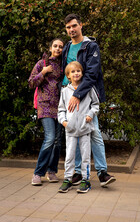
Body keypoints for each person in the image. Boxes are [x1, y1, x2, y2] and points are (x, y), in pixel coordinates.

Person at [62, 14, 116, 187]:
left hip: (86, 95)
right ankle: (78, 172)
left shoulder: (90, 46)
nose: (72, 29)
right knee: (75, 135)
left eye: (74, 26)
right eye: (68, 27)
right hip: (70, 95)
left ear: (81, 25)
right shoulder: (67, 47)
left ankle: (102, 172)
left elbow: (92, 73)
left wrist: (79, 95)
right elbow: (65, 72)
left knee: (94, 133)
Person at [58, 61, 99, 193]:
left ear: (82, 73)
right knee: (69, 156)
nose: (76, 73)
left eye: (78, 71)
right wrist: (64, 122)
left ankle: (85, 180)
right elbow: (61, 110)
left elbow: (95, 105)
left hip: (85, 129)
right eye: (73, 72)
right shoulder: (65, 91)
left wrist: (90, 114)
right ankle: (67, 179)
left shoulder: (88, 88)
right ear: (68, 76)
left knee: (85, 156)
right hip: (70, 130)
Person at [28, 38, 64, 186]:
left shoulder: (63, 65)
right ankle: (38, 173)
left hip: (60, 107)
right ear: (50, 48)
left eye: (61, 47)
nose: (58, 48)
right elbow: (31, 83)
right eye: (55, 46)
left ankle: (52, 171)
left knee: (57, 142)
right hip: (45, 106)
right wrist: (43, 72)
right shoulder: (42, 64)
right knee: (50, 138)